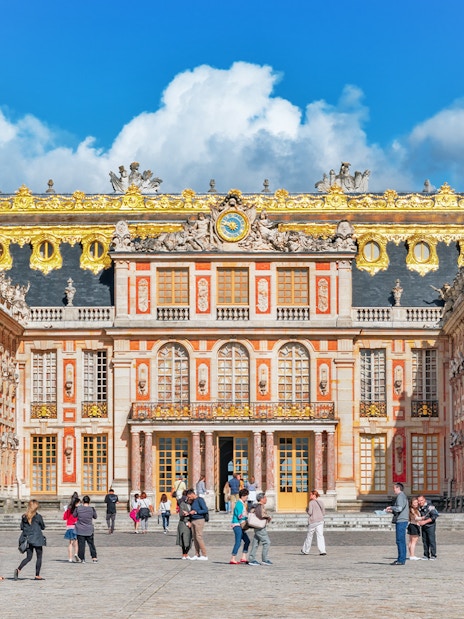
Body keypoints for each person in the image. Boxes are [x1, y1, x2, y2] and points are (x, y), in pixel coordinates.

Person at [15, 499, 46, 580]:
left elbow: (22, 527)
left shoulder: (24, 517)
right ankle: (37, 575)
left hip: (28, 539)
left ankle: (18, 569)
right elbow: (43, 526)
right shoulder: (38, 517)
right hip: (37, 539)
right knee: (39, 557)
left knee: (28, 557)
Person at [385, 482, 409, 565]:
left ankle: (401, 559)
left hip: (401, 520)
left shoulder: (400, 496)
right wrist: (391, 510)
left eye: (394, 488)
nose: (393, 490)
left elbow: (399, 508)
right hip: (401, 519)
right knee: (400, 540)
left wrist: (391, 507)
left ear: (398, 488)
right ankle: (401, 558)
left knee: (400, 540)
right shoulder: (402, 496)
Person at [248, 492, 272, 566]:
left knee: (255, 543)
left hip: (257, 527)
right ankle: (264, 559)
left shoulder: (256, 505)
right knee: (267, 542)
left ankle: (252, 559)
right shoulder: (259, 506)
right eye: (265, 498)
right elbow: (260, 515)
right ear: (261, 499)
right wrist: (268, 517)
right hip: (260, 527)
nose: (266, 499)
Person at [300, 489, 327, 556]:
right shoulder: (321, 502)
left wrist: (306, 510)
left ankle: (305, 550)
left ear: (314, 495)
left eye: (311, 494)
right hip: (320, 520)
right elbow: (323, 512)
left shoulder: (311, 502)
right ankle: (322, 550)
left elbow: (310, 512)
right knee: (320, 535)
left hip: (313, 521)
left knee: (309, 536)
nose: (310, 496)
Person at [185, 488, 209, 560]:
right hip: (193, 520)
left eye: (189, 497)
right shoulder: (193, 501)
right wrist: (188, 514)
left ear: (192, 494)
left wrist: (196, 512)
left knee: (199, 537)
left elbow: (205, 510)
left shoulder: (200, 500)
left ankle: (204, 555)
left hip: (199, 519)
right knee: (194, 537)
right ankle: (197, 553)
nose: (189, 498)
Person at [73, 495, 98, 563]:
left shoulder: (78, 508)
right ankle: (94, 557)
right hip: (89, 529)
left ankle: (82, 558)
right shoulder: (91, 509)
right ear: (89, 502)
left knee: (81, 545)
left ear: (83, 501)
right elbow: (95, 516)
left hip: (80, 529)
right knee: (91, 544)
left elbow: (74, 515)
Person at [230, 488, 250, 564]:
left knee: (247, 541)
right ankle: (233, 557)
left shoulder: (242, 504)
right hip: (237, 525)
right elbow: (239, 516)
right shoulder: (239, 504)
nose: (247, 498)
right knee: (238, 542)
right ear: (243, 496)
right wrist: (247, 517)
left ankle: (243, 556)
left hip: (240, 525)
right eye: (246, 496)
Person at [417, 495, 439, 560]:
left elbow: (434, 516)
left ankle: (433, 555)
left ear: (424, 500)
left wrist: (425, 522)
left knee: (431, 540)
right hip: (423, 526)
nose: (420, 502)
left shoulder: (430, 507)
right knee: (425, 540)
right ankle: (426, 555)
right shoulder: (419, 507)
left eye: (421, 500)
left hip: (430, 526)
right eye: (419, 501)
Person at [63, 495, 80, 562]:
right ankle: (75, 554)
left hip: (69, 526)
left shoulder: (68, 509)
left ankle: (70, 558)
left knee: (70, 543)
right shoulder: (78, 509)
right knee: (76, 543)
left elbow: (64, 518)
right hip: (76, 526)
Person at [176, 494, 193, 559]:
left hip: (191, 522)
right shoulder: (183, 504)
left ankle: (186, 553)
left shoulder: (193, 505)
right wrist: (186, 522)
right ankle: (184, 553)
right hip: (183, 522)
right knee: (183, 538)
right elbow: (181, 514)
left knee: (191, 538)